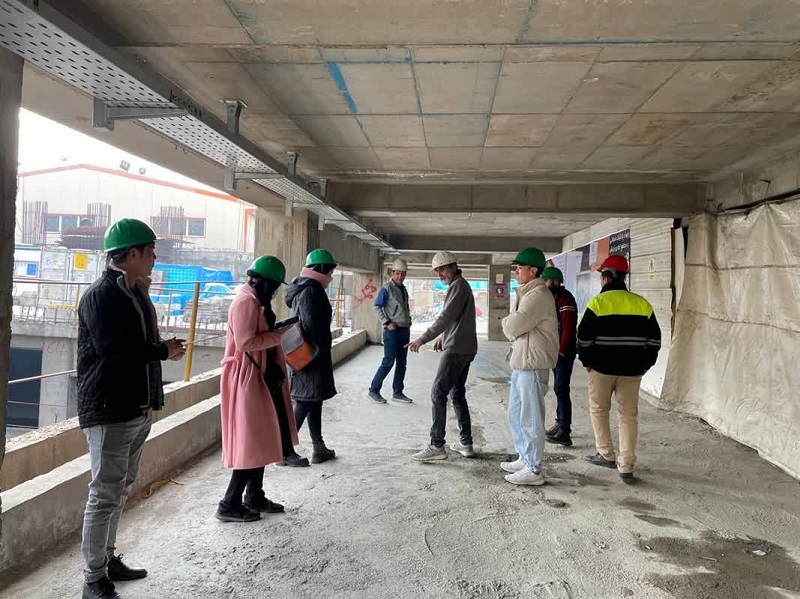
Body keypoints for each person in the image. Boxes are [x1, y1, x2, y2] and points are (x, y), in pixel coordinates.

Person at [77, 219, 186, 599]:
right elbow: (115, 352)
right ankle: (93, 579)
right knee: (104, 494)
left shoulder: (134, 292)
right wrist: (161, 351)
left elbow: (140, 343)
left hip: (136, 407)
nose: (155, 258)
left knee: (119, 489)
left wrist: (162, 349)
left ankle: (108, 560)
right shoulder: (101, 296)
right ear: (133, 253)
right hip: (110, 409)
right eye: (151, 251)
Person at [216, 255, 304, 522]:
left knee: (264, 437)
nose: (275, 291)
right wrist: (278, 336)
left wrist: (277, 331)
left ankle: (254, 495)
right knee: (252, 440)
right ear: (262, 282)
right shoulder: (245, 302)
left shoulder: (255, 300)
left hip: (260, 376)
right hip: (247, 377)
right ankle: (229, 504)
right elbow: (245, 343)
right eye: (274, 286)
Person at [577, 254, 661, 484]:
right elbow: (654, 341)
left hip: (601, 370)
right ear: (623, 277)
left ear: (605, 278)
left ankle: (606, 453)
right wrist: (644, 365)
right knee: (628, 415)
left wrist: (587, 362)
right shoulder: (642, 304)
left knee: (599, 409)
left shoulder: (597, 304)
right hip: (632, 371)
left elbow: (583, 339)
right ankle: (627, 464)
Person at [407, 251, 478, 461]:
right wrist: (443, 337)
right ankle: (466, 443)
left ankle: (437, 445)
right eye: (437, 271)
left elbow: (446, 316)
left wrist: (423, 338)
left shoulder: (458, 286)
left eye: (443, 269)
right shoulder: (460, 286)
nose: (440, 274)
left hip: (456, 350)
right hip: (465, 348)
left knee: (438, 392)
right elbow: (457, 319)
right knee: (457, 394)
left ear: (453, 266)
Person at [500, 248, 559, 485]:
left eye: (520, 268)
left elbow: (512, 327)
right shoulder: (528, 293)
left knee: (531, 417)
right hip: (522, 363)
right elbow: (516, 325)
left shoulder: (538, 296)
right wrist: (511, 322)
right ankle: (524, 457)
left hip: (533, 365)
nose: (516, 272)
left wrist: (507, 322)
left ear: (533, 270)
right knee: (516, 414)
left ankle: (533, 468)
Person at [285, 249, 338, 464]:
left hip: (308, 355)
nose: (331, 276)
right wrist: (319, 349)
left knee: (313, 400)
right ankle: (284, 451)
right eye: (329, 272)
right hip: (310, 357)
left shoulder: (306, 287)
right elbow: (311, 325)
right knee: (305, 402)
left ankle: (319, 448)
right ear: (321, 269)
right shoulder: (311, 290)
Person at [542, 266, 578, 448]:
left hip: (564, 352)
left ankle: (565, 430)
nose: (544, 284)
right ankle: (560, 421)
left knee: (562, 388)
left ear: (554, 281)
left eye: (546, 281)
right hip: (557, 351)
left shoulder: (564, 298)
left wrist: (562, 350)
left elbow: (569, 327)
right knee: (558, 387)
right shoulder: (555, 297)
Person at [368, 258, 413, 404]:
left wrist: (408, 321)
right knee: (388, 361)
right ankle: (374, 390)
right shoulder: (386, 289)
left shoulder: (404, 289)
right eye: (397, 273)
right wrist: (387, 322)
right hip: (392, 331)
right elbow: (377, 306)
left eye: (402, 274)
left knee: (402, 363)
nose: (400, 276)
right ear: (392, 273)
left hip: (404, 329)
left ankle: (398, 392)